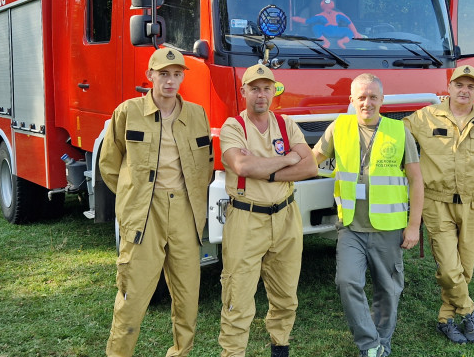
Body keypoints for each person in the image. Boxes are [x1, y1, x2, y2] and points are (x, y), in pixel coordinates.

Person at [99, 47, 214, 357]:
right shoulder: (128, 112)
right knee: (132, 295)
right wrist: (131, 197)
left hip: (185, 214)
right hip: (144, 214)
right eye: (163, 74)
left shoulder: (197, 114)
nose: (170, 81)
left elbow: (208, 164)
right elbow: (110, 165)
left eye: (176, 75)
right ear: (149, 75)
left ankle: (181, 352)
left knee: (188, 297)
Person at [402, 65, 474, 345]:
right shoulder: (424, 118)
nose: (464, 91)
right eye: (459, 85)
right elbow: (393, 136)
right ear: (449, 88)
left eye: (470, 86)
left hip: (472, 203)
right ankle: (468, 310)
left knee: (464, 268)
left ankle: (446, 318)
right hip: (436, 202)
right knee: (447, 266)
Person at [312, 73, 424, 357]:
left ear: (382, 100)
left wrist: (413, 227)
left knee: (388, 290)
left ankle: (380, 345)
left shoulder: (399, 132)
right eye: (361, 97)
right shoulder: (340, 126)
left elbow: (417, 180)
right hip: (351, 226)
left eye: (373, 97)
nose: (367, 103)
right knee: (347, 281)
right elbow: (312, 159)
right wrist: (277, 167)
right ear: (351, 100)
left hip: (388, 228)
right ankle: (369, 342)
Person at [217, 64, 318, 357]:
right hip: (246, 218)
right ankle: (233, 353)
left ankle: (280, 345)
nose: (261, 95)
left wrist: (268, 170)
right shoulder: (233, 126)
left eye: (266, 88)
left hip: (285, 216)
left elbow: (310, 166)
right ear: (244, 91)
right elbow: (243, 166)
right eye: (254, 88)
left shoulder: (286, 124)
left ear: (274, 91)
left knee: (286, 294)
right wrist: (287, 158)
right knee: (238, 297)